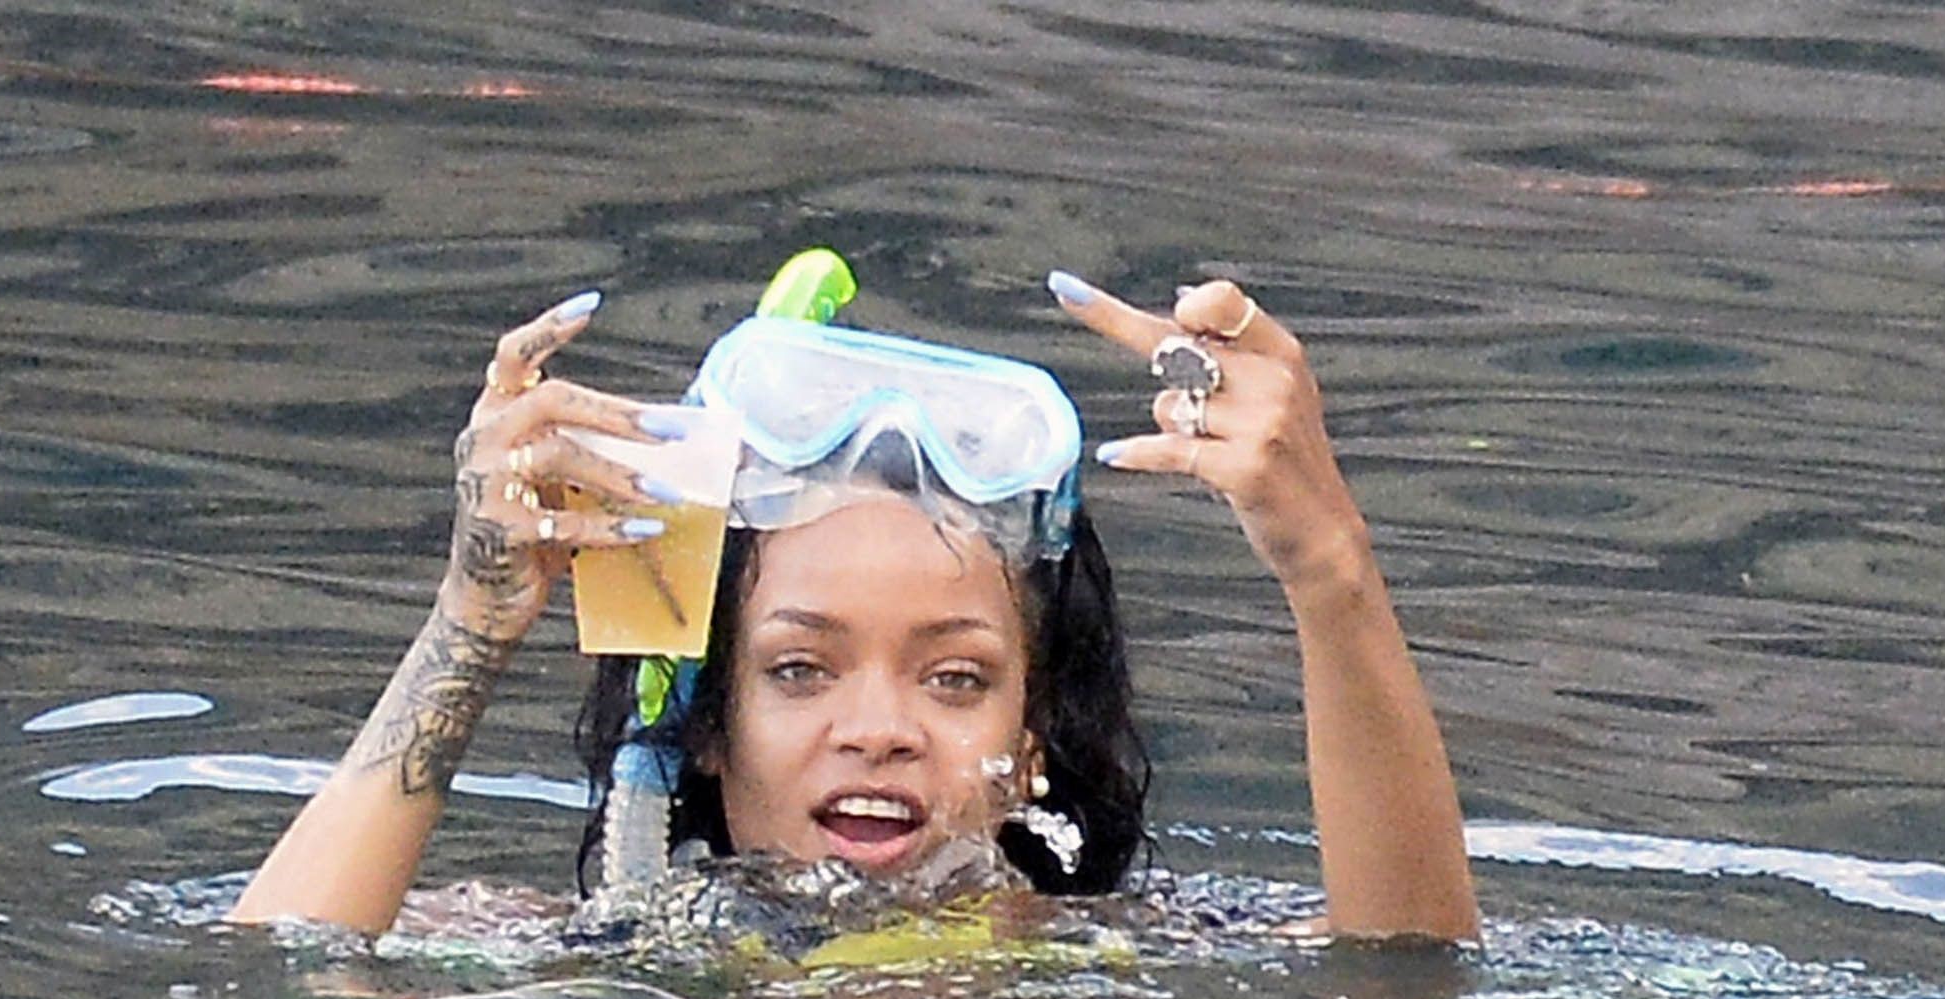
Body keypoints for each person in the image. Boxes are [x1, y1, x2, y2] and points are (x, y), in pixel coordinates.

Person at [229, 270, 1479, 942]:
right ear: (707, 721)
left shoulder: (1115, 968)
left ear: (1033, 737)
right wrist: (475, 615)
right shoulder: (593, 961)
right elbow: (277, 980)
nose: (879, 728)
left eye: (954, 678)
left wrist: (1331, 569)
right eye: (798, 669)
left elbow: (1407, 980)